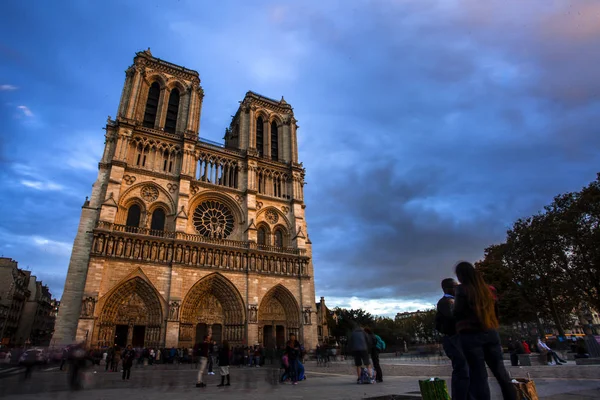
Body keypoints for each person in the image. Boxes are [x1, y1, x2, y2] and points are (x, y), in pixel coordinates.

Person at [454, 261, 516, 400]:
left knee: (479, 376)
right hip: (491, 332)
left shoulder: (461, 290)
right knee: (501, 372)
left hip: (470, 335)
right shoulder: (490, 290)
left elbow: (457, 312)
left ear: (461, 275)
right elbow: (496, 313)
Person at [435, 278, 472, 400]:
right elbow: (454, 317)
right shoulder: (446, 302)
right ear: (447, 288)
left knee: (466, 370)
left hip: (458, 338)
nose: (457, 288)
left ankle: (467, 396)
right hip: (454, 338)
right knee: (462, 370)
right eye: (455, 286)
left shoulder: (452, 301)